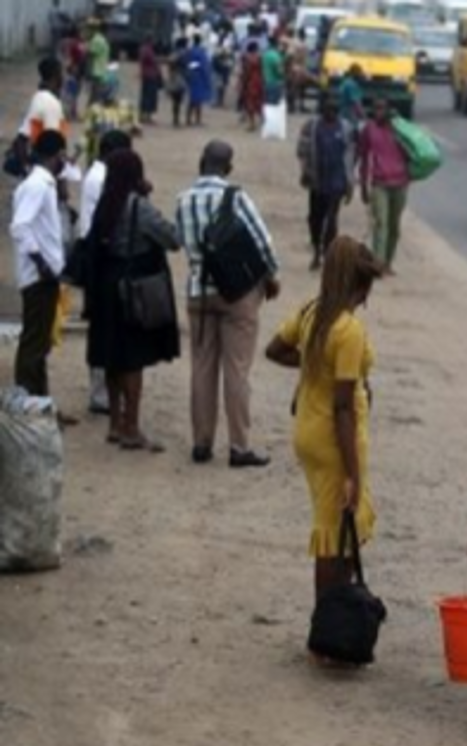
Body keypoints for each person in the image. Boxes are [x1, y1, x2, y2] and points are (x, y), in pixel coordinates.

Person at [264, 237, 383, 614]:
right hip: (334, 441)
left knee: (341, 529)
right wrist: (352, 473)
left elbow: (275, 349)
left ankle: (335, 616)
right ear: (360, 283)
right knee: (334, 536)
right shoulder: (348, 330)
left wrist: (313, 366)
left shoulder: (312, 312)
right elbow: (343, 408)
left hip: (309, 430)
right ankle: (328, 626)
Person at [176, 141, 283, 467]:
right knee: (237, 369)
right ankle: (238, 446)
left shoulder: (182, 200)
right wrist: (271, 277)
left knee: (202, 367)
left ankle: (201, 442)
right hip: (237, 294)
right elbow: (263, 242)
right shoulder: (236, 198)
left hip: (198, 292)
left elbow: (183, 242)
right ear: (229, 167)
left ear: (201, 162)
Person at [85, 149, 182, 449]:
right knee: (133, 360)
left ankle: (115, 423)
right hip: (132, 291)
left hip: (105, 288)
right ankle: (132, 426)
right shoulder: (139, 207)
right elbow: (173, 239)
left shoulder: (106, 204)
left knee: (111, 357)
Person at [10, 131, 71, 414]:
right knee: (34, 343)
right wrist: (42, 264)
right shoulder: (37, 185)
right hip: (38, 278)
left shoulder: (43, 184)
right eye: (62, 156)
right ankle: (28, 406)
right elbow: (20, 226)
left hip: (43, 276)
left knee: (40, 342)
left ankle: (41, 403)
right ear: (56, 155)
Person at [76, 130, 133, 415]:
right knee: (105, 327)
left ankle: (103, 390)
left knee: (102, 326)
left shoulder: (95, 175)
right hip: (102, 259)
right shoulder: (102, 179)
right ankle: (102, 393)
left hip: (96, 256)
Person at [298, 95, 354, 270]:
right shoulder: (312, 126)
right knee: (314, 218)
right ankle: (316, 249)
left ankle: (328, 254)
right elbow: (301, 150)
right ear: (322, 110)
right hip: (317, 181)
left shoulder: (345, 128)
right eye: (328, 110)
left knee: (331, 219)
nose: (331, 114)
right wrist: (305, 170)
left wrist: (350, 182)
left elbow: (351, 154)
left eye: (335, 110)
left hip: (337, 182)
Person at [356, 98, 410, 273]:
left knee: (394, 225)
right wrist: (363, 185)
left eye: (381, 108)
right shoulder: (368, 129)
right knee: (381, 222)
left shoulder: (400, 129)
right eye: (375, 108)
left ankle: (388, 262)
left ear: (388, 110)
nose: (378, 112)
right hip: (379, 183)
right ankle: (378, 261)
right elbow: (364, 157)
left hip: (400, 183)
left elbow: (411, 151)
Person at [13, 58, 69, 172]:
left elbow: (23, 137)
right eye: (61, 73)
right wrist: (26, 169)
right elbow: (22, 139)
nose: (64, 78)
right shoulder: (48, 101)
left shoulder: (41, 98)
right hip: (45, 166)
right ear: (55, 76)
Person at [82, 77, 140, 166]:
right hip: (97, 152)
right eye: (104, 87)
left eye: (109, 88)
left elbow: (134, 117)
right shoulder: (94, 109)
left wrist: (134, 126)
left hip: (114, 151)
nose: (106, 90)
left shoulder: (123, 108)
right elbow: (86, 133)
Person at [184, 34, 215, 127]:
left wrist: (193, 67)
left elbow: (188, 64)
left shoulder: (190, 51)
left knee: (193, 99)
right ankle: (197, 120)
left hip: (192, 76)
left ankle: (189, 119)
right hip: (199, 77)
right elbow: (204, 65)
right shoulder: (201, 52)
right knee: (198, 100)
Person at [84, 19, 111, 108]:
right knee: (95, 96)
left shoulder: (99, 39)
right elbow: (90, 54)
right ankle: (90, 111)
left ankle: (90, 111)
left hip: (99, 71)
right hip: (98, 71)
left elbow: (90, 53)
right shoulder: (99, 40)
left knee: (95, 96)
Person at [137, 36, 163, 126]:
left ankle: (142, 115)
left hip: (145, 75)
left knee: (145, 95)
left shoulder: (142, 49)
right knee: (150, 96)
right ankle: (148, 117)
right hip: (151, 75)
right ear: (150, 41)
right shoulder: (148, 50)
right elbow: (153, 61)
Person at [239, 41, 264, 130]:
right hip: (259, 81)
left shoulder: (248, 59)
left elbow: (247, 72)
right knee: (259, 102)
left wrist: (243, 82)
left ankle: (252, 124)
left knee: (250, 103)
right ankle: (263, 120)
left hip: (251, 82)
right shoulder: (260, 58)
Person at [166, 38, 190, 128]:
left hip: (175, 77)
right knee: (178, 100)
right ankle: (176, 120)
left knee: (176, 100)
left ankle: (175, 119)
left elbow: (170, 62)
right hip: (179, 77)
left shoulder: (175, 52)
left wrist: (171, 71)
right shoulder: (182, 53)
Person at [337, 64, 366, 133]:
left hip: (342, 115)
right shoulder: (352, 85)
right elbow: (357, 103)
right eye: (360, 72)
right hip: (350, 118)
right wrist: (364, 117)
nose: (361, 75)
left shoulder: (345, 82)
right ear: (355, 73)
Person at [285, 32, 309, 114]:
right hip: (301, 69)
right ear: (304, 36)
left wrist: (287, 68)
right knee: (301, 88)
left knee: (293, 88)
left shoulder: (294, 43)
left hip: (294, 68)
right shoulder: (304, 45)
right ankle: (300, 106)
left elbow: (288, 56)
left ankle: (291, 107)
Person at [261, 34, 287, 111]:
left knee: (267, 105)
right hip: (275, 83)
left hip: (266, 82)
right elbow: (280, 72)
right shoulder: (276, 56)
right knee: (274, 107)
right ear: (277, 44)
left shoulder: (265, 54)